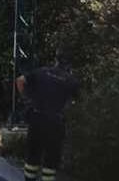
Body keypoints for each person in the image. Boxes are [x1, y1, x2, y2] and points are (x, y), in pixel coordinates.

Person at [15, 50, 79, 181]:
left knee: (33, 155)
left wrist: (27, 98)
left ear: (56, 60)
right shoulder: (71, 80)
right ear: (70, 65)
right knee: (51, 158)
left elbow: (20, 80)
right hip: (55, 122)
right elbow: (77, 101)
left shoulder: (41, 72)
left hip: (36, 118)